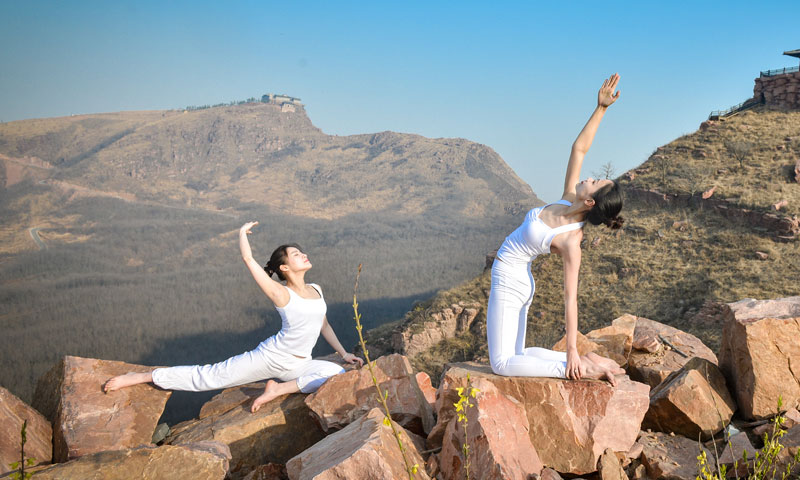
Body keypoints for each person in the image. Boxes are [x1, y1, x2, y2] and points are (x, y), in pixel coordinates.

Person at [104, 221, 363, 413]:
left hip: (299, 365)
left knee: (336, 372)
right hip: (270, 358)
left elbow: (323, 324)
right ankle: (142, 377)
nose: (303, 254)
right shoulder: (280, 293)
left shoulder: (316, 289)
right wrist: (241, 233)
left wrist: (343, 354)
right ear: (284, 267)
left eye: (300, 252)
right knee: (209, 377)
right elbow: (248, 259)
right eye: (296, 254)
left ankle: (278, 389)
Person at [487, 74, 626, 386]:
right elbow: (579, 149)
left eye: (593, 182)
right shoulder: (566, 199)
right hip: (516, 279)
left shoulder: (570, 240)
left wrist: (573, 351)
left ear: (590, 200)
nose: (587, 177)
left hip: (511, 282)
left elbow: (570, 299)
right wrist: (601, 109)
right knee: (517, 354)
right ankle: (585, 362)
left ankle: (579, 367)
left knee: (502, 364)